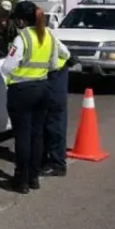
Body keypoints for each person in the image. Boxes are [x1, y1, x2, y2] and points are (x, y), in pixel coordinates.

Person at [0, 0, 55, 194]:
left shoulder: (21, 38)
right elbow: (54, 63)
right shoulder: (48, 35)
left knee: (22, 137)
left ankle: (21, 181)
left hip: (21, 92)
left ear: (22, 20)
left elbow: (7, 67)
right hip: (42, 89)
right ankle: (33, 178)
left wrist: (17, 75)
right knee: (37, 135)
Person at [41, 29, 77, 178]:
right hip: (51, 75)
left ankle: (57, 164)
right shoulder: (37, 32)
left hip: (55, 75)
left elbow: (63, 54)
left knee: (55, 122)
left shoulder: (39, 34)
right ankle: (45, 160)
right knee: (45, 122)